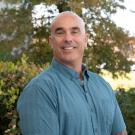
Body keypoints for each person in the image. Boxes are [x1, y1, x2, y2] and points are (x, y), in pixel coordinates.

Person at [17, 11, 127, 135]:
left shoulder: (103, 85)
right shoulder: (39, 90)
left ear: (85, 39)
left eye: (74, 31)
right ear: (51, 41)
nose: (68, 39)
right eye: (60, 32)